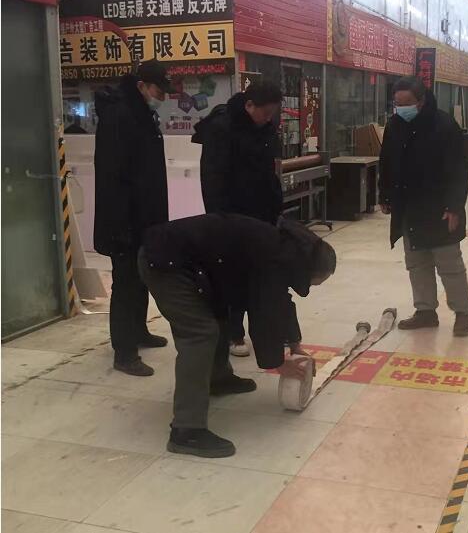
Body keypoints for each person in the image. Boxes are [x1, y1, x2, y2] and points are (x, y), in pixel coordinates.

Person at [139, 214, 336, 458]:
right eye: (316, 282)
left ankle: (218, 378)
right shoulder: (275, 259)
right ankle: (186, 430)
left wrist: (294, 344)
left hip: (191, 263)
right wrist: (278, 362)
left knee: (220, 316)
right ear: (307, 270)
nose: (312, 287)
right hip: (166, 263)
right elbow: (264, 313)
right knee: (200, 334)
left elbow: (280, 301)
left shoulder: (286, 251)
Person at [192, 82, 284, 357]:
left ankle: (264, 332)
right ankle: (233, 334)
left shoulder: (265, 128)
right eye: (265, 113)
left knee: (259, 276)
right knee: (231, 275)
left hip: (260, 215)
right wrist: (220, 219)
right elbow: (212, 179)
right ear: (249, 105)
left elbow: (270, 173)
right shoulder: (222, 128)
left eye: (272, 113)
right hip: (231, 216)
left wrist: (275, 208)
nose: (268, 118)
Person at [379, 76, 468, 336]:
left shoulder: (444, 125)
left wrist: (454, 207)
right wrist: (385, 194)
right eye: (397, 104)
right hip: (409, 208)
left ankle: (463, 313)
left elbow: (459, 171)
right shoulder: (395, 125)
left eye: (406, 103)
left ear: (421, 101)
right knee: (416, 263)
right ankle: (425, 311)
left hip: (439, 208)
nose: (401, 108)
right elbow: (386, 161)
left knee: (449, 264)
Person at [94, 60, 171, 377]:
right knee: (125, 283)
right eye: (158, 91)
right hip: (123, 221)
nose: (161, 98)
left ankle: (138, 331)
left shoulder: (140, 114)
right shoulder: (119, 116)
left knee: (140, 277)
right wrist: (121, 226)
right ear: (141, 86)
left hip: (143, 217)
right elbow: (112, 176)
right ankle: (124, 352)